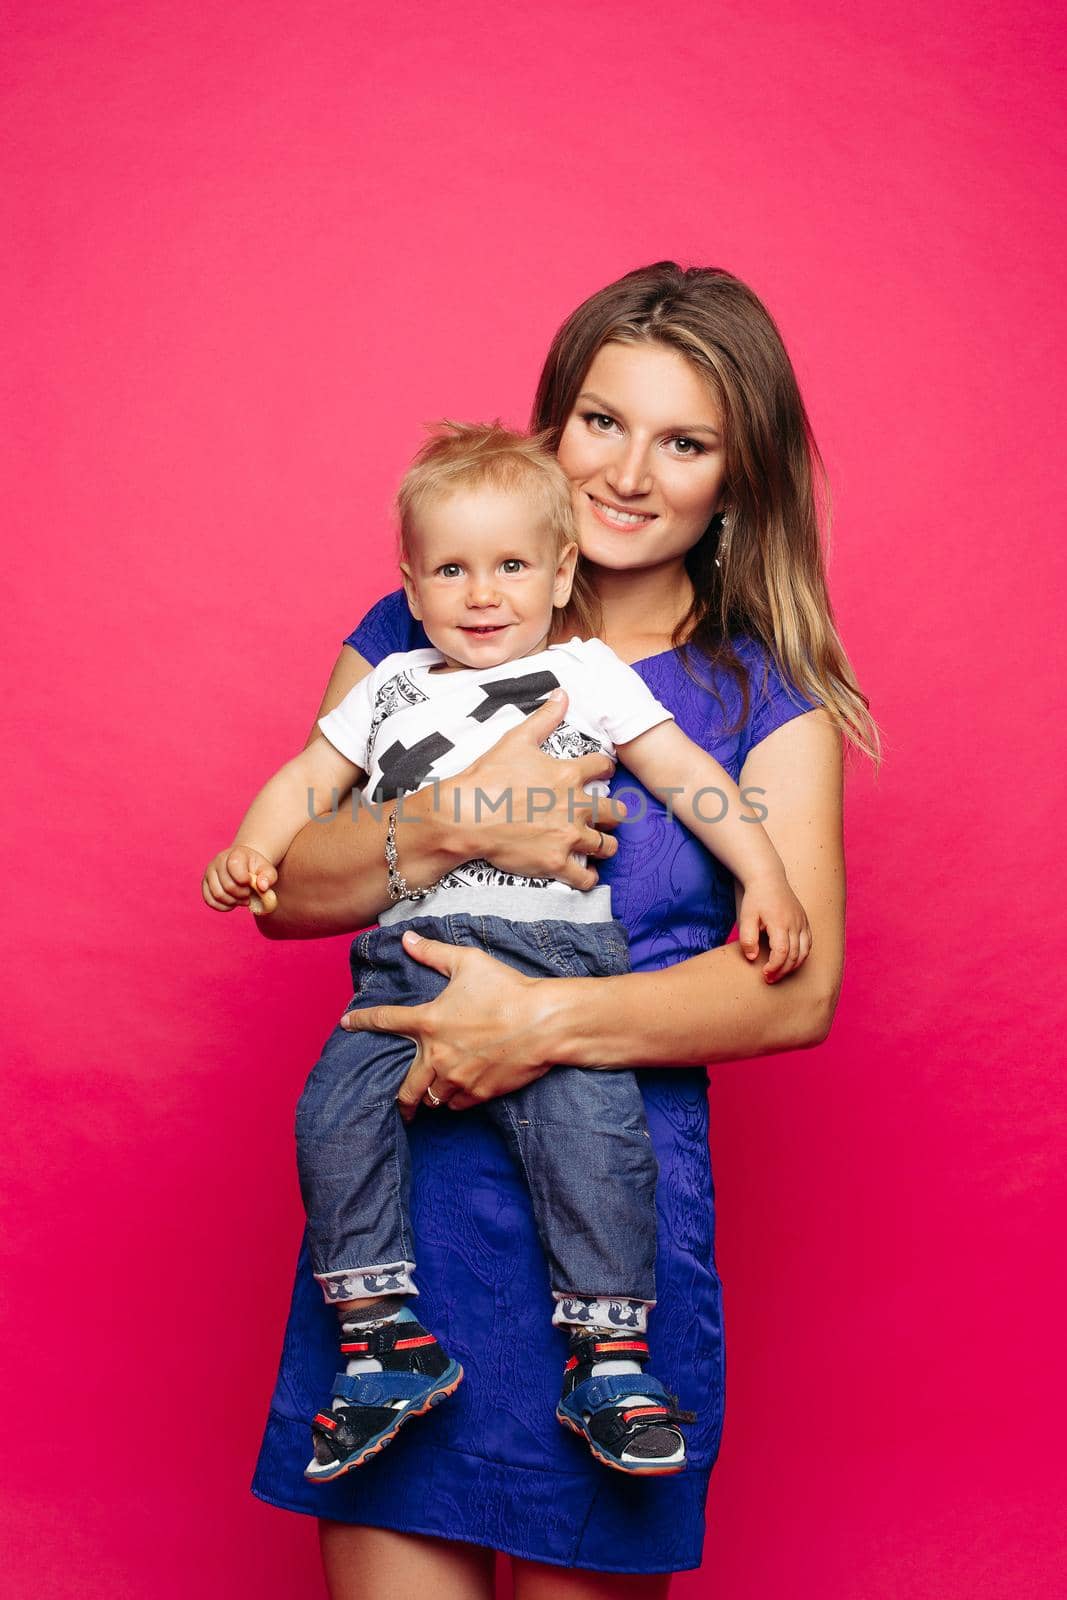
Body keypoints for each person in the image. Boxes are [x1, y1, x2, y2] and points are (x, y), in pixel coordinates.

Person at [249, 263, 876, 1597]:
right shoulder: (418, 628)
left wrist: (532, 1025)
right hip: (400, 1243)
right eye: (601, 421)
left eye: (683, 440)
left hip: (609, 1248)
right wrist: (453, 825)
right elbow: (287, 893)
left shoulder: (760, 697)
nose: (628, 474)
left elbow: (791, 992)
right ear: (550, 426)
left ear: (733, 477)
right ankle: (390, 1357)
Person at [203, 421, 813, 1484]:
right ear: (411, 579)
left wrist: (763, 874)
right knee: (331, 1117)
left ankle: (611, 1358)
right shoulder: (390, 678)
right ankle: (385, 1340)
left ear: (558, 568)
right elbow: (308, 779)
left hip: (557, 958)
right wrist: (256, 845)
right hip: (406, 968)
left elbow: (684, 777)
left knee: (591, 1136)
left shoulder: (583, 674)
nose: (482, 594)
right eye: (451, 570)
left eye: (510, 568)